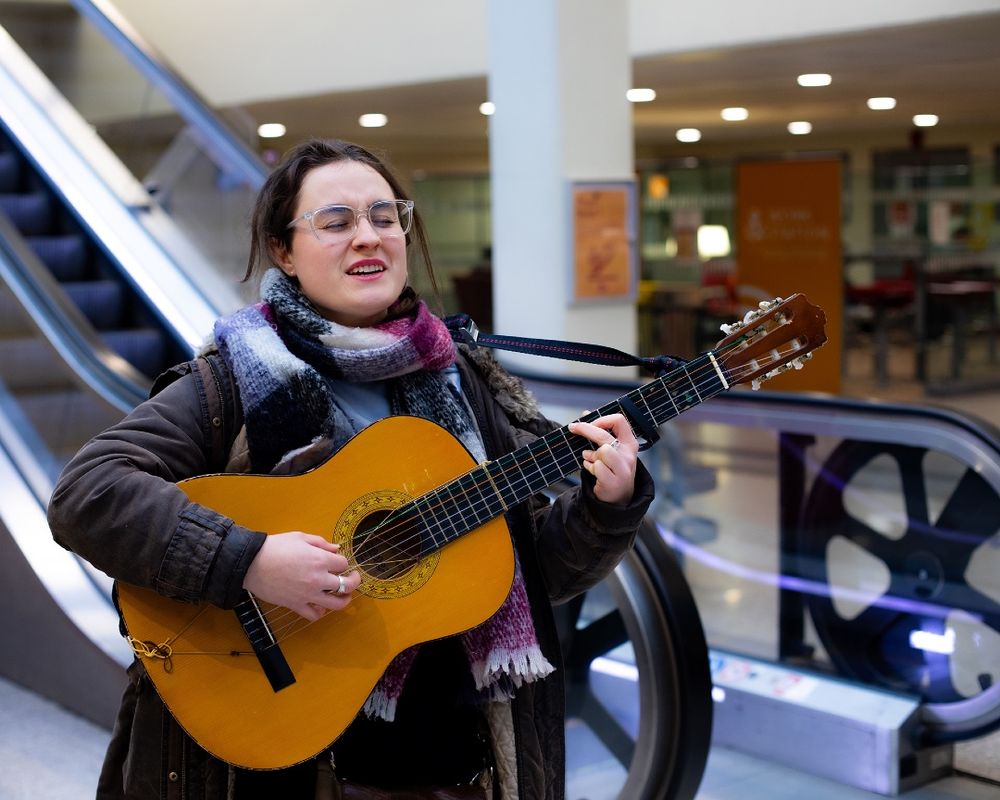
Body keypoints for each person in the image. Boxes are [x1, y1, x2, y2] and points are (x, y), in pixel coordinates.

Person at [47, 138, 654, 800]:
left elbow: (530, 572)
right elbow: (88, 494)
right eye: (336, 222)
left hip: (459, 769)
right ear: (284, 250)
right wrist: (247, 559)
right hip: (284, 769)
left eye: (385, 216)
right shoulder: (229, 386)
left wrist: (606, 505)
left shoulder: (466, 382)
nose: (368, 237)